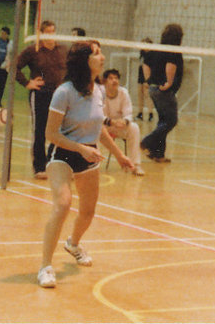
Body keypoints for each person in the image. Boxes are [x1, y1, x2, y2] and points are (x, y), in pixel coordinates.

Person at [37, 41, 134, 288]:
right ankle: (45, 267)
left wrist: (119, 156)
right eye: (97, 54)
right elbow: (51, 133)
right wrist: (80, 148)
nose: (102, 57)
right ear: (84, 61)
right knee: (63, 203)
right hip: (63, 153)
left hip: (89, 155)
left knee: (88, 212)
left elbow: (98, 129)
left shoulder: (97, 90)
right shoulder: (64, 92)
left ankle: (73, 244)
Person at [15, 20, 67, 179]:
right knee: (40, 130)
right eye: (47, 32)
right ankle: (39, 167)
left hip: (59, 95)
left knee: (60, 130)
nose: (51, 36)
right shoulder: (33, 50)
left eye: (53, 32)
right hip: (40, 94)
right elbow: (13, 66)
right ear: (41, 34)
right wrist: (27, 83)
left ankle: (53, 161)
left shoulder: (63, 50)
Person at [140, 24, 184, 163]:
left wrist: (148, 80)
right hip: (163, 90)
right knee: (171, 121)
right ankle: (147, 141)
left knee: (163, 121)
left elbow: (145, 62)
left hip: (153, 88)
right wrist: (169, 82)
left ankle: (157, 154)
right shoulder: (173, 50)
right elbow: (170, 65)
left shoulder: (158, 48)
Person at [101, 69, 145, 176]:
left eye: (116, 78)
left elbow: (128, 113)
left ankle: (136, 165)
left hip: (120, 126)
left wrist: (124, 122)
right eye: (111, 78)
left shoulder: (123, 93)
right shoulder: (100, 93)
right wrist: (111, 122)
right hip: (104, 128)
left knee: (134, 128)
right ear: (105, 81)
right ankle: (87, 166)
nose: (114, 81)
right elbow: (98, 116)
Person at [136, 38, 154, 122]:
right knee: (140, 94)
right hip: (140, 75)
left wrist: (148, 80)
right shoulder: (142, 53)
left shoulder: (152, 54)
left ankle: (151, 114)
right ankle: (140, 113)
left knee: (147, 95)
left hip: (147, 76)